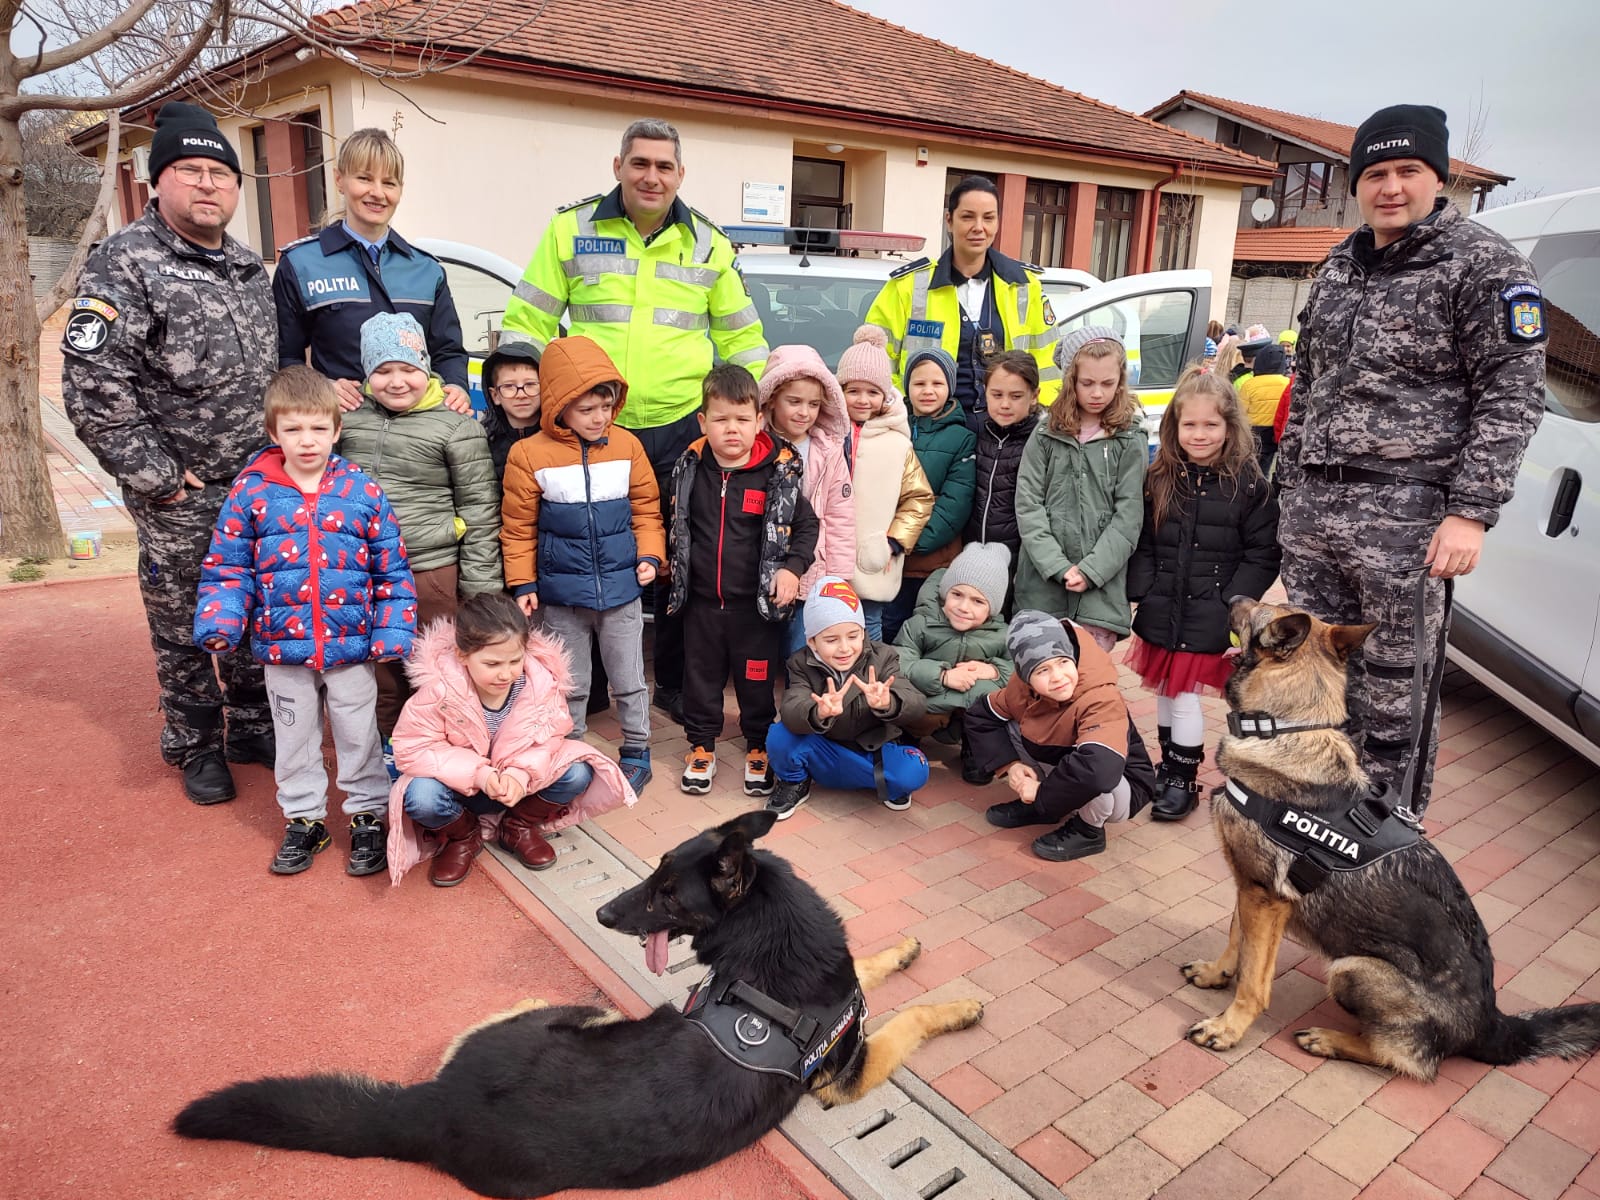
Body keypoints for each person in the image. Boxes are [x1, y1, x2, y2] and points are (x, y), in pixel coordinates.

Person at [1277, 103, 1546, 815]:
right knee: (1316, 677)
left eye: (1408, 170)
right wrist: (1290, 484)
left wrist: (1470, 513)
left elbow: (1513, 395)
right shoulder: (1339, 266)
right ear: (1356, 184)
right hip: (1316, 517)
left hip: (1409, 522)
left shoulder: (1485, 266)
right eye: (1375, 174)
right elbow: (1309, 383)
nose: (1390, 187)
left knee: (1397, 691)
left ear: (1439, 177)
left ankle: (1386, 832)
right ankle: (1317, 816)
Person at [500, 118, 770, 720]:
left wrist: (751, 414)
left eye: (664, 166)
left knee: (678, 554)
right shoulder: (570, 229)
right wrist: (531, 403)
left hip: (680, 427)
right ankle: (588, 684)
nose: (652, 176)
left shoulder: (710, 244)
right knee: (583, 548)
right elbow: (528, 323)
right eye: (640, 163)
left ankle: (670, 681)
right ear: (617, 166)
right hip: (590, 427)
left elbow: (743, 340)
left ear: (680, 174)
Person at [61, 101, 277, 805]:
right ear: (158, 181)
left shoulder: (246, 267)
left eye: (222, 173)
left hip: (255, 485)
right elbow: (93, 385)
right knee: (185, 623)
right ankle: (195, 744)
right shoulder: (125, 262)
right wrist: (157, 478)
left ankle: (251, 726)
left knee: (252, 607)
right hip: (182, 493)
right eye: (190, 170)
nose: (208, 184)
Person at [194, 366, 418, 875]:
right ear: (273, 432)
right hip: (283, 648)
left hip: (351, 646)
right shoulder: (251, 492)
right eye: (293, 429)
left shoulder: (362, 491)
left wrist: (392, 629)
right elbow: (228, 566)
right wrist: (222, 620)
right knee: (293, 738)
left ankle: (366, 816)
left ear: (337, 429)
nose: (307, 440)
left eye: (318, 428)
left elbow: (390, 568)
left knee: (358, 734)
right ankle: (304, 819)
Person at [500, 336, 663, 794]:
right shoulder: (528, 455)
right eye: (587, 409)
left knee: (629, 679)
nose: (599, 418)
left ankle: (637, 750)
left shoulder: (628, 446)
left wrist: (650, 556)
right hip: (561, 596)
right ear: (559, 407)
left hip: (622, 590)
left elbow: (647, 509)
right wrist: (523, 582)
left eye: (606, 407)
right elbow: (517, 526)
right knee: (569, 682)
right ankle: (568, 753)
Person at [337, 312, 502, 758]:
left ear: (426, 368)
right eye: (383, 370)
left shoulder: (456, 425)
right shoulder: (346, 421)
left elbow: (480, 511)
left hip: (430, 570)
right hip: (365, 571)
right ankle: (391, 749)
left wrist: (481, 591)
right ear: (366, 374)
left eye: (407, 369)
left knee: (440, 668)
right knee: (382, 672)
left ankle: (450, 750)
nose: (396, 382)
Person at [387, 594, 633, 887]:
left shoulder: (540, 684)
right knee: (421, 796)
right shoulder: (438, 691)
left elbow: (551, 736)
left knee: (578, 771)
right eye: (492, 664)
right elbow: (413, 748)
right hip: (461, 789)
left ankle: (517, 825)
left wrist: (520, 774)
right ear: (462, 655)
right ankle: (463, 835)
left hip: (519, 787)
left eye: (515, 660)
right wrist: (479, 774)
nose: (505, 674)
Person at [1126, 367, 1281, 821]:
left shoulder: (1248, 485)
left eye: (1210, 424)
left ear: (1229, 426)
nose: (1199, 434)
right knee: (1164, 692)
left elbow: (1262, 553)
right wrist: (1143, 589)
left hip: (1210, 609)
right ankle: (1167, 765)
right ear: (1174, 426)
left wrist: (1231, 602)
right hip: (1163, 604)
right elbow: (1145, 540)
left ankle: (1183, 779)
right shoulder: (1160, 477)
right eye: (1189, 424)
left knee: (1184, 697)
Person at [667, 365, 819, 798]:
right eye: (721, 419)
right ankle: (701, 746)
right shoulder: (690, 470)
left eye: (741, 419)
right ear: (703, 422)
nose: (731, 429)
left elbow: (806, 526)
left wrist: (792, 568)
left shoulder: (777, 474)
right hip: (700, 603)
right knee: (700, 678)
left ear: (759, 421)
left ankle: (758, 744)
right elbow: (673, 521)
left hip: (755, 607)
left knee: (756, 679)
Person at [273, 128, 472, 415]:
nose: (377, 193)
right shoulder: (302, 264)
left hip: (418, 433)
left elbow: (448, 352)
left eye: (389, 183)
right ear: (339, 180)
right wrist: (320, 387)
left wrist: (456, 387)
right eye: (364, 178)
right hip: (341, 429)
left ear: (400, 190)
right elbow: (284, 357)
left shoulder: (427, 270)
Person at [865, 175, 1060, 431]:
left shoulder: (1024, 286)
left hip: (1008, 435)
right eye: (968, 217)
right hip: (926, 433)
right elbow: (875, 364)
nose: (979, 227)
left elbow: (1048, 365)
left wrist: (1040, 421)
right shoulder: (907, 287)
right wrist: (902, 415)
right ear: (949, 220)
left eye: (988, 218)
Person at [965, 611, 1158, 862]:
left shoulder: (1101, 697)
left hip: (1124, 786)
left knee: (1097, 765)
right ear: (1026, 677)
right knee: (1010, 723)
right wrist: (1010, 765)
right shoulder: (1021, 690)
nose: (1058, 677)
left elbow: (1099, 770)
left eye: (1063, 662)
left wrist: (1043, 793)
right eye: (1042, 669)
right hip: (1069, 767)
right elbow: (981, 716)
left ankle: (1089, 830)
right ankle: (1044, 810)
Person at [1013, 328, 1147, 653]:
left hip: (1098, 595)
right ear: (1070, 379)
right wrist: (1057, 566)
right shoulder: (1045, 434)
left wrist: (1092, 570)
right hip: (1043, 589)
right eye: (1087, 383)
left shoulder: (1129, 438)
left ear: (1120, 381)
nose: (1097, 393)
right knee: (1040, 672)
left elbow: (1128, 515)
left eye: (1107, 383)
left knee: (1089, 677)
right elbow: (1029, 504)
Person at [768, 577, 930, 819]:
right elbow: (791, 708)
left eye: (853, 636)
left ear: (863, 632)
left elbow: (917, 704)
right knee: (779, 736)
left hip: (871, 751)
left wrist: (889, 702)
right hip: (823, 749)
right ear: (812, 641)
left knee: (915, 769)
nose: (844, 648)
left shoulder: (883, 656)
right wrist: (817, 712)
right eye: (831, 640)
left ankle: (883, 781)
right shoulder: (800, 662)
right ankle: (795, 782)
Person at [758, 344, 857, 660]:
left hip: (813, 568)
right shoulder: (757, 446)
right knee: (761, 650)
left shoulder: (828, 451)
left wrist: (838, 578)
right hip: (762, 564)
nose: (804, 412)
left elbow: (840, 515)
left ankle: (797, 692)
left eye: (813, 404)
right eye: (794, 402)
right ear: (771, 399)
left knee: (801, 652)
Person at [836, 327, 935, 641]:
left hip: (873, 559)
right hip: (827, 558)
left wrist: (893, 542)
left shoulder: (897, 444)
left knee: (870, 626)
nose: (863, 400)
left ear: (885, 396)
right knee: (825, 627)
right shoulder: (828, 435)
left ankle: (871, 674)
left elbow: (919, 498)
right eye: (853, 390)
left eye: (872, 392)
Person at [892, 542, 1013, 784]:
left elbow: (1020, 671)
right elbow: (899, 660)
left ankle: (975, 749)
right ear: (944, 593)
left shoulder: (1003, 635)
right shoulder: (921, 624)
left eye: (978, 601)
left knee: (993, 701)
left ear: (993, 607)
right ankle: (908, 740)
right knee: (907, 700)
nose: (964, 607)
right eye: (957, 594)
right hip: (930, 703)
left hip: (972, 709)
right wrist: (942, 676)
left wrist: (994, 670)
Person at [882, 346, 977, 644]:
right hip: (886, 557)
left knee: (927, 631)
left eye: (937, 383)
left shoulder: (962, 438)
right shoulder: (890, 428)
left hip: (931, 561)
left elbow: (955, 505)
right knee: (886, 627)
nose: (927, 391)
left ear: (950, 387)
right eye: (919, 383)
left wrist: (907, 542)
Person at [964, 351, 1042, 581]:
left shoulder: (1040, 443)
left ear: (1034, 395)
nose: (1005, 404)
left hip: (1019, 565)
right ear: (984, 391)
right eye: (996, 395)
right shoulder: (978, 434)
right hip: (973, 556)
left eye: (1016, 396)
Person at [480, 342, 543, 481]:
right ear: (495, 395)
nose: (521, 394)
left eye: (530, 384)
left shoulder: (561, 437)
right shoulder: (483, 443)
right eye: (509, 386)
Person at [1236, 343, 1292, 473]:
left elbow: (1240, 412)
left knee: (1246, 467)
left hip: (1252, 432)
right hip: (1273, 433)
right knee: (1265, 467)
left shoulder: (1249, 384)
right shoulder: (1287, 383)